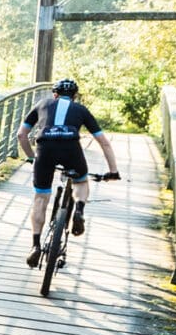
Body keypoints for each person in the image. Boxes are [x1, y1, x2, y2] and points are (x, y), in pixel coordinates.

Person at [15, 77, 120, 267]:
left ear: (54, 94)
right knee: (80, 181)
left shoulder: (42, 103)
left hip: (45, 149)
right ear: (74, 97)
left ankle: (35, 246)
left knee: (41, 198)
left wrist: (32, 157)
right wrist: (113, 171)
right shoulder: (80, 109)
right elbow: (103, 141)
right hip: (71, 150)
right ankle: (79, 209)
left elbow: (21, 134)